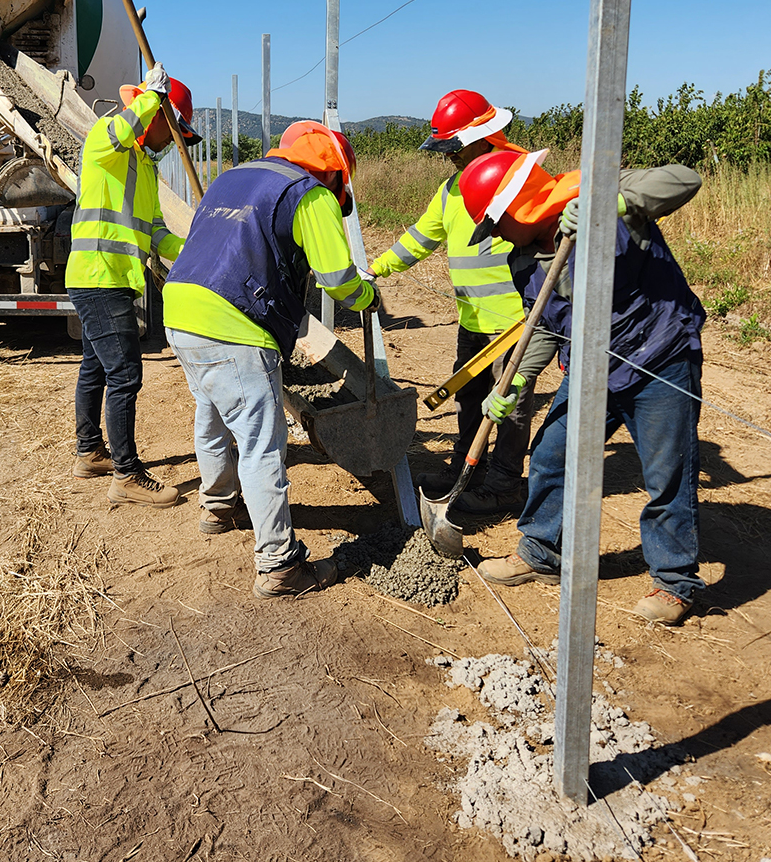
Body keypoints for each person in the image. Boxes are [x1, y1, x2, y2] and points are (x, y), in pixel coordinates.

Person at [459, 147, 706, 625]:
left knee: (667, 474)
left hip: (659, 358)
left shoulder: (599, 198)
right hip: (590, 369)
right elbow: (545, 323)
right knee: (551, 454)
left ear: (520, 208)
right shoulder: (523, 260)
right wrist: (517, 378)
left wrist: (610, 202)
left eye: (496, 223)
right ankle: (541, 552)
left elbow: (684, 179)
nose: (496, 235)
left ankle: (675, 583)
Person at [162, 121, 377, 598]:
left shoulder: (231, 178)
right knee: (262, 442)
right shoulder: (309, 193)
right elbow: (338, 279)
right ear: (335, 173)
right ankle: (280, 566)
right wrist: (367, 296)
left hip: (179, 309)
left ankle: (218, 506)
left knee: (212, 412)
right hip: (232, 322)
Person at [368, 90, 533, 513]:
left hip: (514, 322)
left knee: (509, 407)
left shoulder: (520, 177)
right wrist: (378, 268)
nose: (450, 156)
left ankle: (503, 487)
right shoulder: (452, 189)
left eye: (456, 147)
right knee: (469, 398)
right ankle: (466, 471)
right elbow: (421, 237)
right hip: (472, 320)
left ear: (484, 136)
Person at [66, 62, 200, 507]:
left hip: (113, 278)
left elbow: (155, 231)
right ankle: (126, 475)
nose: (173, 143)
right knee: (125, 374)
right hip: (99, 276)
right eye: (174, 131)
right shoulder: (105, 141)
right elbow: (124, 129)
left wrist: (195, 248)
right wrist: (152, 98)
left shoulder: (144, 168)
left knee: (96, 366)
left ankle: (89, 453)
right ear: (157, 115)